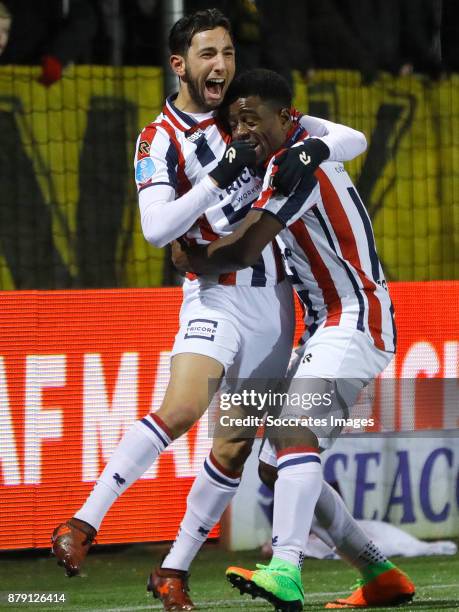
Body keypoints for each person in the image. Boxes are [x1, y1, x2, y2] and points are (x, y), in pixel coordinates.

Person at [50, 9, 368, 611]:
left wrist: (308, 151)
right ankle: (83, 523)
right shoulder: (158, 137)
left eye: (226, 52)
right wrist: (217, 177)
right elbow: (155, 229)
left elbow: (352, 139)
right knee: (184, 404)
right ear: (180, 65)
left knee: (233, 444)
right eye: (206, 55)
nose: (220, 64)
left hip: (276, 305)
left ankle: (173, 571)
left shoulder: (247, 115)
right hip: (215, 294)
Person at [172, 68, 415, 611]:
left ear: (286, 119)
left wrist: (184, 253)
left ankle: (286, 567)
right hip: (327, 319)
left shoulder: (294, 167)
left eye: (252, 119)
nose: (242, 132)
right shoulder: (295, 151)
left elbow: (243, 251)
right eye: (235, 122)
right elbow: (347, 138)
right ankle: (379, 574)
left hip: (355, 315)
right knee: (271, 462)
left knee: (290, 430)